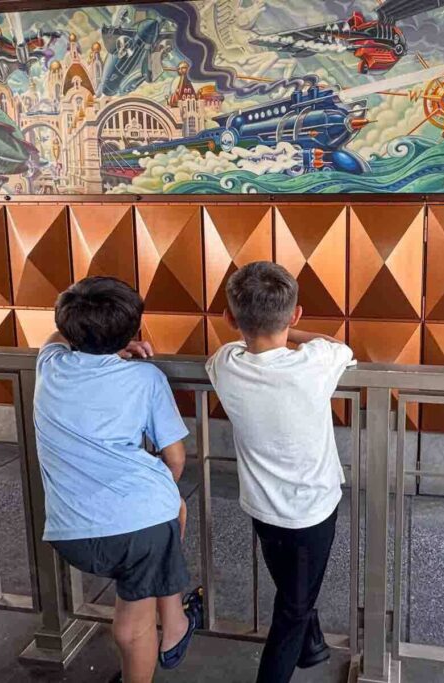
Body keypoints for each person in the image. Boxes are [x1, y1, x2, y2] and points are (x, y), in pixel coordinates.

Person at [34, 277, 201, 683]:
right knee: (133, 624)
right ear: (132, 330)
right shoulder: (146, 379)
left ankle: (175, 618)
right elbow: (175, 457)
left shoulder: (49, 366)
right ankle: (170, 628)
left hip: (69, 531)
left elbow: (54, 337)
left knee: (164, 519)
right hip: (137, 531)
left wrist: (100, 343)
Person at [206, 261, 355, 683]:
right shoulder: (315, 362)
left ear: (229, 319)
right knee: (292, 608)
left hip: (262, 511)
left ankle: (312, 646)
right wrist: (294, 332)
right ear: (295, 315)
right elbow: (335, 343)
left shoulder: (224, 364)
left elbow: (236, 346)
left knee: (294, 589)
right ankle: (294, 654)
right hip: (313, 512)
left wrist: (273, 328)